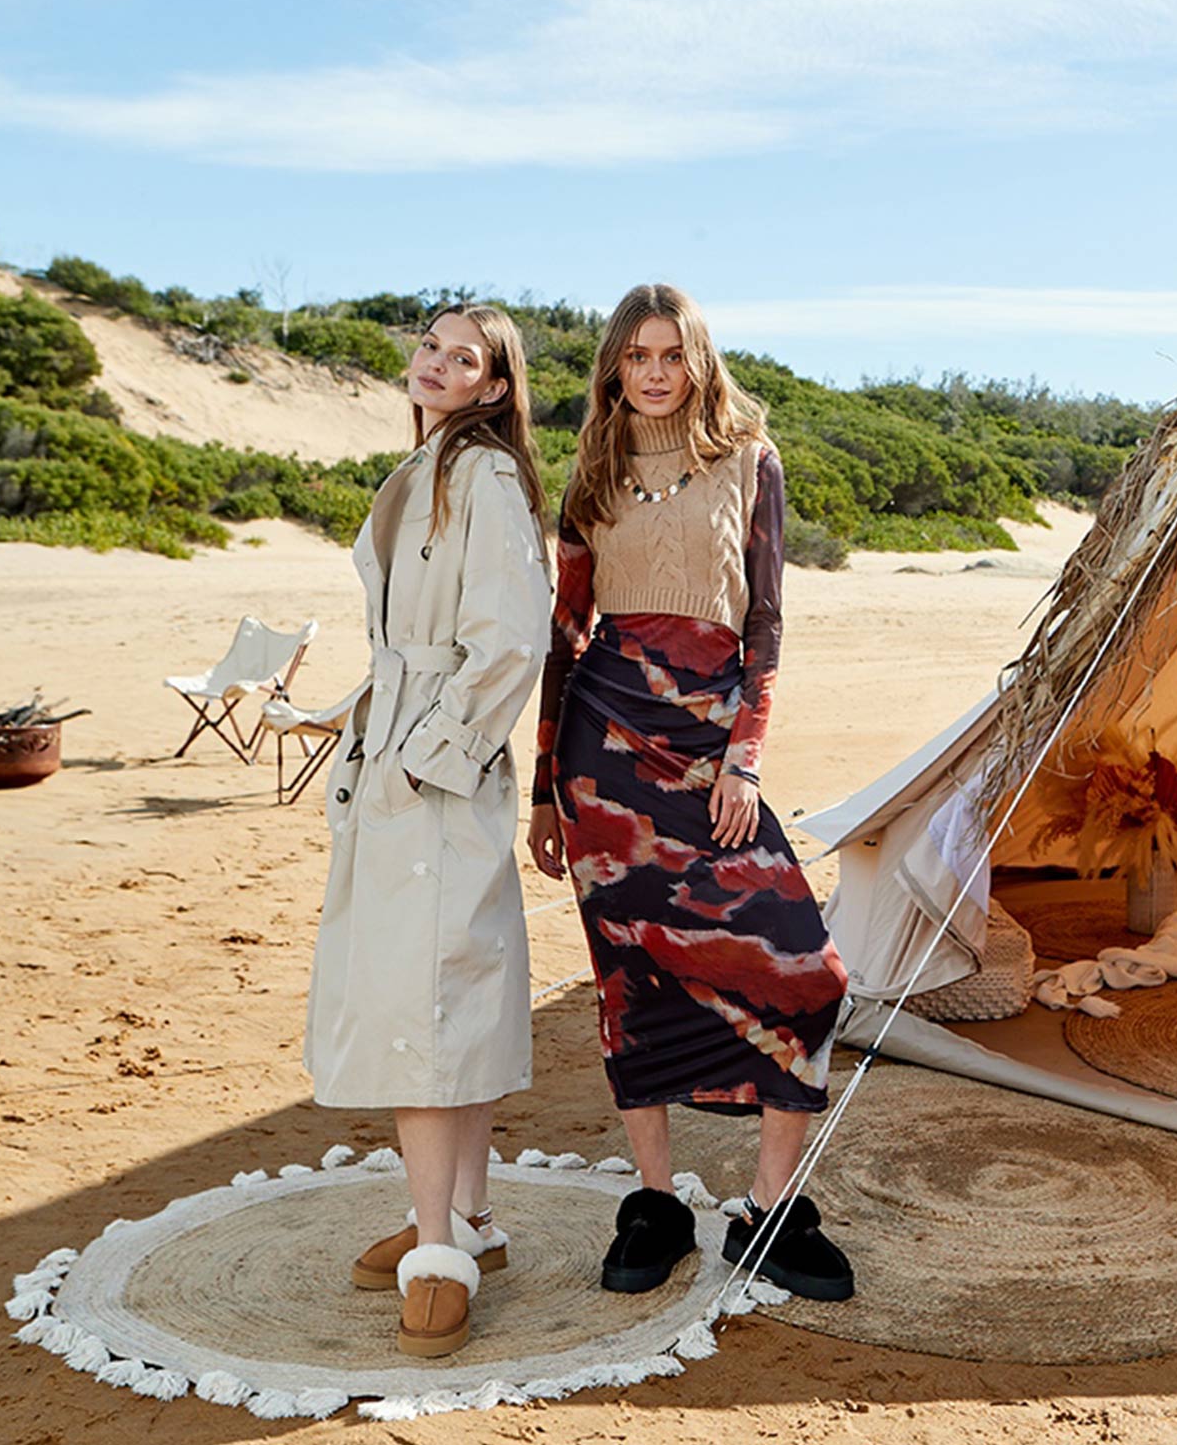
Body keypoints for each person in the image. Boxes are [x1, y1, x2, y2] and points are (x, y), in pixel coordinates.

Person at [527, 283, 853, 1301]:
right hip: (603, 751)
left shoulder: (750, 459)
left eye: (672, 355)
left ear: (700, 359)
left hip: (713, 748)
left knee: (807, 976)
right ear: (615, 368)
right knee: (633, 982)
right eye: (637, 358)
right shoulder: (592, 470)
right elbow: (564, 633)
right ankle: (658, 1201)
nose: (656, 374)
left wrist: (742, 758)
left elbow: (767, 631)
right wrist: (545, 789)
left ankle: (766, 1209)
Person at [308, 304, 550, 1358]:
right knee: (445, 993)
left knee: (429, 1005)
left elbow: (512, 638)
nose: (439, 364)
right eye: (431, 347)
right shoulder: (433, 467)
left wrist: (426, 754)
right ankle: (465, 1221)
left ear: (497, 387)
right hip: (403, 760)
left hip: (433, 776)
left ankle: (441, 1249)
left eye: (468, 358)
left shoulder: (483, 478)